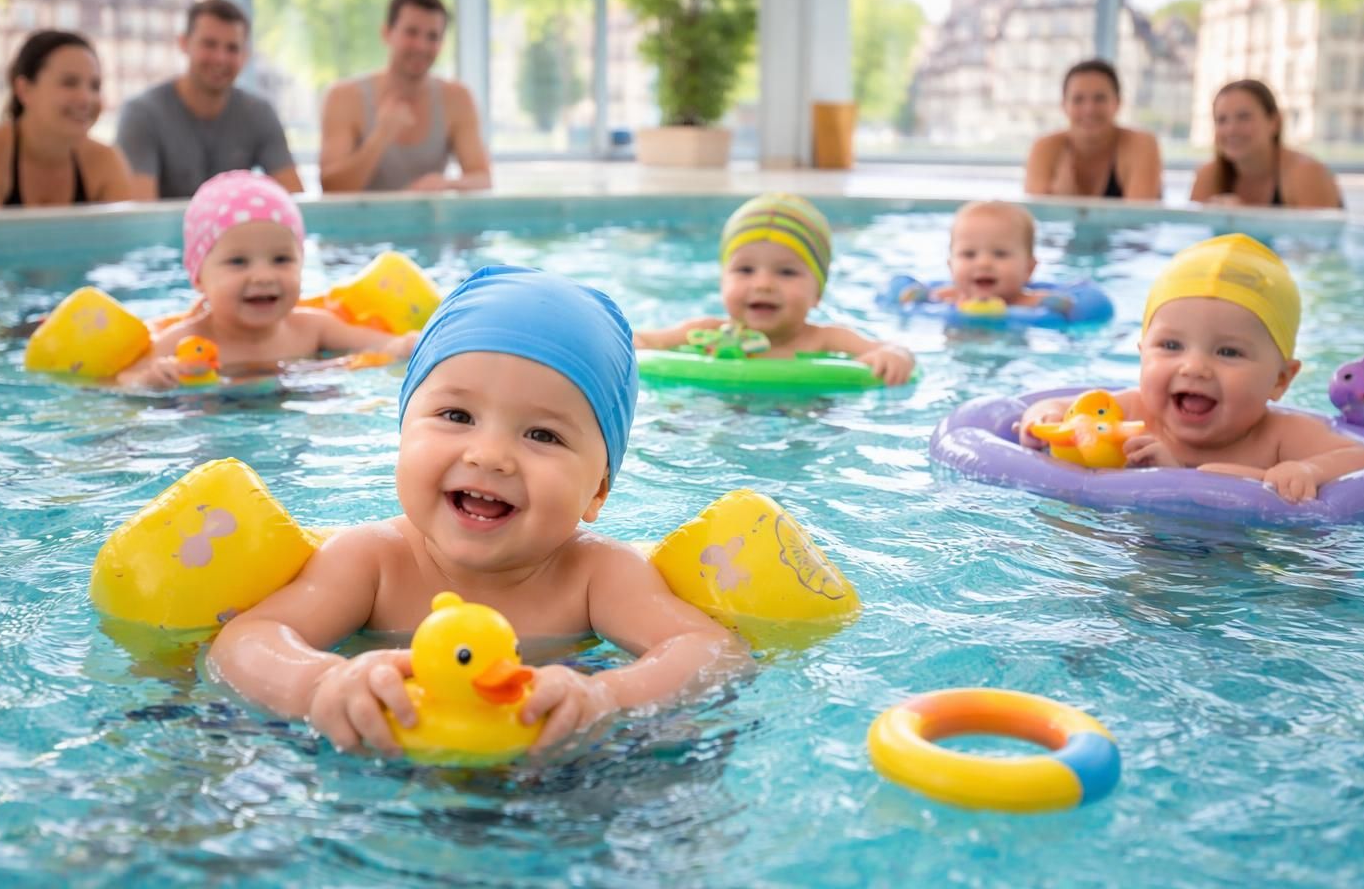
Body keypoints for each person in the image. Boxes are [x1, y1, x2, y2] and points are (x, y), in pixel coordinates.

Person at [208, 266, 747, 755]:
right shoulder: (372, 562)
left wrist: (607, 696)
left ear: (597, 492)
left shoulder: (596, 575)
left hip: (559, 771)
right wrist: (321, 684)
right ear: (402, 434)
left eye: (543, 435)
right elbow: (247, 641)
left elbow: (711, 651)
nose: (488, 455)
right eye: (457, 415)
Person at [1017, 234, 1364, 502]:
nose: (1194, 367)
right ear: (1143, 354)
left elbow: (1363, 459)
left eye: (1228, 352)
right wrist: (1044, 419)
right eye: (1171, 346)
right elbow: (1064, 411)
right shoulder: (1131, 412)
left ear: (1280, 379)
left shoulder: (1280, 436)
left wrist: (1306, 470)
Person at [114, 172, 415, 388]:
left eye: (281, 259)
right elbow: (122, 381)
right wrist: (150, 380)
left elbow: (386, 346)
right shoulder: (182, 340)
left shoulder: (314, 328)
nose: (263, 276)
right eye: (238, 262)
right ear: (199, 278)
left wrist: (407, 345)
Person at [632, 194, 916, 385]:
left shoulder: (826, 339)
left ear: (817, 293)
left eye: (787, 272)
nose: (763, 284)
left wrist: (894, 357)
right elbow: (641, 341)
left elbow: (893, 349)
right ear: (722, 282)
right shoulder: (705, 333)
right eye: (745, 270)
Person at [115, 0, 303, 201]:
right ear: (184, 43)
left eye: (232, 48)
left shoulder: (259, 113)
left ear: (245, 56)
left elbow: (294, 201)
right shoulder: (142, 114)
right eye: (209, 44)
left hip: (235, 223)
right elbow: (140, 211)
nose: (220, 58)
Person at [0, 30, 133, 209]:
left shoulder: (105, 160)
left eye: (95, 86)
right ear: (24, 90)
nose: (86, 98)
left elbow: (126, 238)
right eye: (69, 82)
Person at [318, 0, 492, 194]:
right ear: (387, 33)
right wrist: (381, 135)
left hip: (432, 216)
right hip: (365, 216)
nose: (421, 46)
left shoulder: (457, 98)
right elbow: (331, 188)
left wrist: (447, 183)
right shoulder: (344, 97)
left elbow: (483, 178)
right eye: (411, 32)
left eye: (433, 37)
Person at [1189, 79, 1342, 209]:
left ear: (1274, 122)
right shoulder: (1209, 175)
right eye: (1221, 120)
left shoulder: (1306, 173)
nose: (1231, 129)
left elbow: (1320, 235)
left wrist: (1243, 219)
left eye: (1244, 117)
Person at [1024, 59, 1163, 201]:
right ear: (1064, 105)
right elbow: (1034, 210)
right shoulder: (1045, 147)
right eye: (1078, 99)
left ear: (1118, 103)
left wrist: (1066, 203)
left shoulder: (1141, 145)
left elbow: (1140, 212)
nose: (1089, 109)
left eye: (1100, 98)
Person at [904, 200, 1056, 308]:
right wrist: (917, 296)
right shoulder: (946, 297)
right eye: (969, 254)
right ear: (951, 266)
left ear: (1028, 269)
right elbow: (913, 297)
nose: (983, 263)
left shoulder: (1029, 303)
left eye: (1000, 254)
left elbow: (1061, 304)